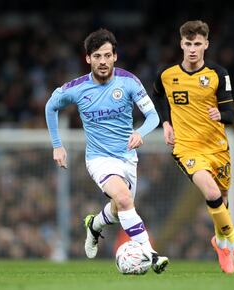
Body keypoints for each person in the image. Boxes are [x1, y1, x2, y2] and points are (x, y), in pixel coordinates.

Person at [45, 28, 169, 274]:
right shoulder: (77, 88)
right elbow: (51, 106)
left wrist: (139, 133)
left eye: (107, 55)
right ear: (88, 59)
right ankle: (151, 254)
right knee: (124, 199)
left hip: (127, 158)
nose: (102, 61)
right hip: (99, 159)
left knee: (119, 205)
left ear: (115, 57)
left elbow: (153, 116)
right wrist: (57, 145)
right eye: (97, 56)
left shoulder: (129, 82)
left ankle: (94, 226)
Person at [152, 20, 234, 274]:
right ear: (181, 44)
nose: (192, 49)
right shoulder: (167, 75)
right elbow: (158, 95)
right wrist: (165, 122)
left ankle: (219, 241)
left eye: (197, 44)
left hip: (216, 146)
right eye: (187, 44)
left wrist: (220, 114)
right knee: (210, 191)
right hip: (186, 147)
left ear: (206, 44)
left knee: (222, 199)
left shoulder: (219, 74)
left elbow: (231, 114)